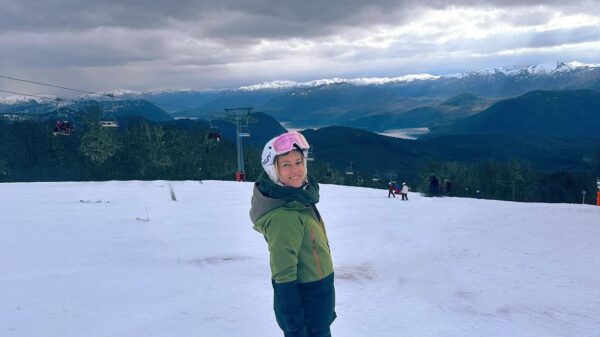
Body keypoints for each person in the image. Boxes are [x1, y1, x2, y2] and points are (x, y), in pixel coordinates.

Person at [250, 131, 336, 337]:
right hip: (307, 309)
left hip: (317, 306)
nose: (295, 170)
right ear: (273, 170)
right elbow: (283, 276)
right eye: (286, 164)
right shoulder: (284, 216)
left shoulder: (299, 200)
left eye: (298, 162)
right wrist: (295, 326)